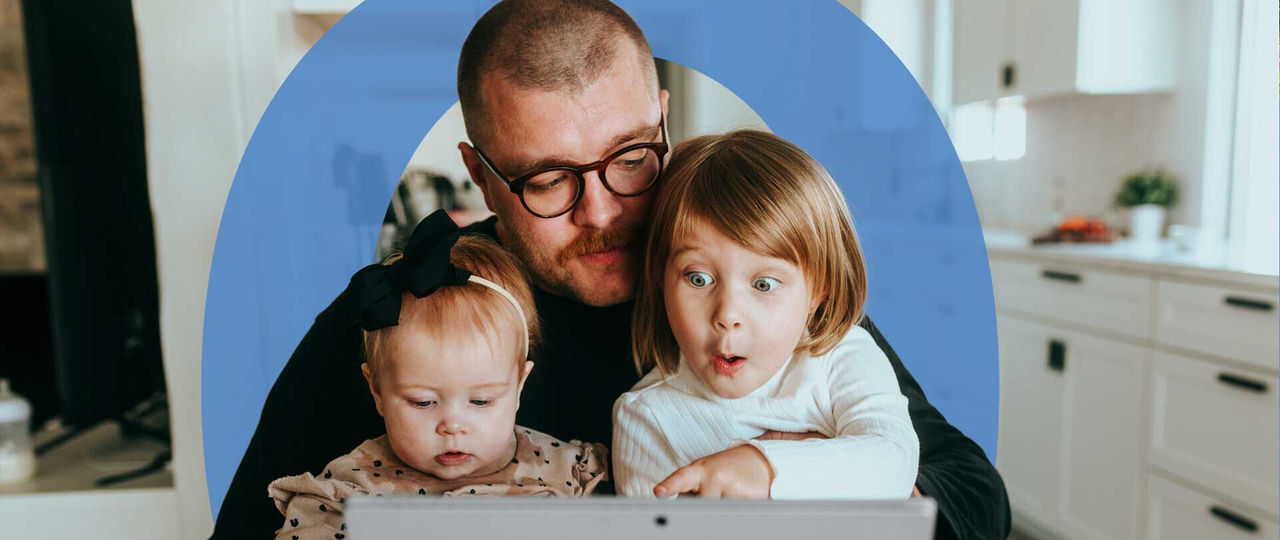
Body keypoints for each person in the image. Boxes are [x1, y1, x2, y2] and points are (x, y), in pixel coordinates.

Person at [211, 1, 1010, 538]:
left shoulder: (750, 287)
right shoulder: (411, 309)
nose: (602, 213)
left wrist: (801, 485)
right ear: (483, 173)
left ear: (662, 119)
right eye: (548, 179)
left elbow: (974, 495)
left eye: (630, 159)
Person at [613, 131, 917, 500]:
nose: (727, 315)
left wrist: (764, 467)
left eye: (764, 285)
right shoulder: (647, 418)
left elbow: (895, 460)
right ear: (661, 280)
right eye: (698, 278)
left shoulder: (842, 358)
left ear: (818, 290)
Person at [267, 213, 607, 540]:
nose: (453, 425)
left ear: (519, 385)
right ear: (378, 392)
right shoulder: (349, 495)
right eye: (423, 402)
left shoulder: (564, 469)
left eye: (481, 400)